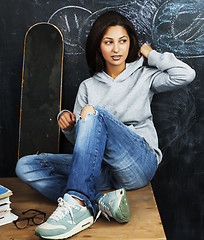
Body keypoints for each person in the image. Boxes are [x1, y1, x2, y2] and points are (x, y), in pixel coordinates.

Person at [15, 11, 196, 239]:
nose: (116, 49)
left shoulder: (144, 75)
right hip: (102, 169)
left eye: (122, 41)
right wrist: (70, 128)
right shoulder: (88, 86)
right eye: (108, 42)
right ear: (98, 46)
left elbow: (186, 75)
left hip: (139, 164)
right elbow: (84, 143)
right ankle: (100, 201)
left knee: (94, 112)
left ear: (131, 44)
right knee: (26, 166)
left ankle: (77, 204)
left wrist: (152, 55)